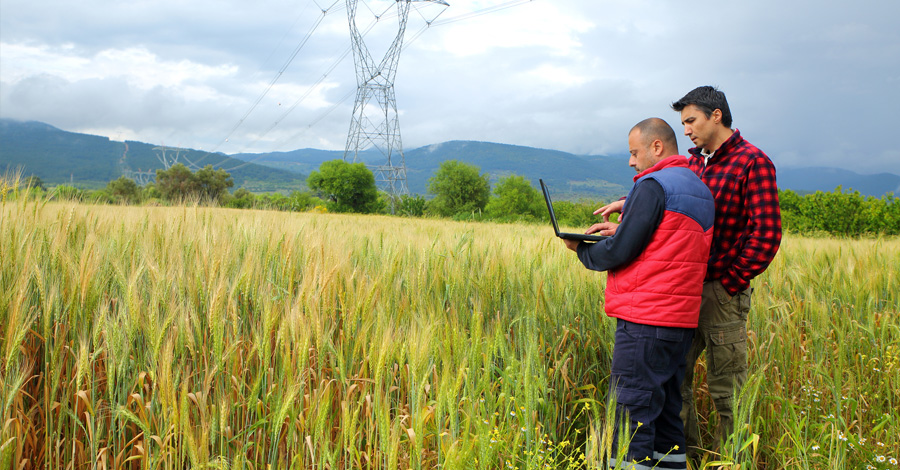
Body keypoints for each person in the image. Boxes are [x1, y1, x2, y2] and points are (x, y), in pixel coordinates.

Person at [598, 87, 783, 453]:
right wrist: (634, 205)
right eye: (682, 123)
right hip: (680, 292)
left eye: (691, 121)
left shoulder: (752, 162)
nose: (685, 131)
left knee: (726, 388)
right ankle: (686, 458)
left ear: (716, 115)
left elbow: (766, 235)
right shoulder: (696, 163)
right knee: (672, 384)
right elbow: (673, 213)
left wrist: (728, 283)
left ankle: (730, 460)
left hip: (718, 290)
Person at [564, 118, 714, 470]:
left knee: (630, 416)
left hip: (645, 319)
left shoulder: (652, 185)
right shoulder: (698, 188)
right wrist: (621, 229)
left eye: (634, 152)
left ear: (657, 146)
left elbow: (621, 251)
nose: (632, 161)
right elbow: (667, 241)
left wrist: (582, 249)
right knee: (666, 416)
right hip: (680, 323)